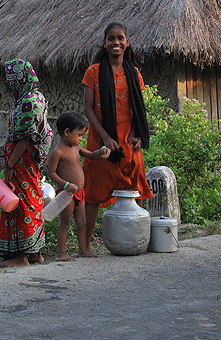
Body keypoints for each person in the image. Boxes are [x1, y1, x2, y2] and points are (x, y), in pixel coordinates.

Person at [82, 22, 153, 254]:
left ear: (127, 42)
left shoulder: (133, 73)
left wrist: (135, 134)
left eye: (120, 38)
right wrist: (105, 138)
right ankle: (86, 246)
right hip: (101, 143)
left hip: (128, 141)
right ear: (105, 43)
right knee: (92, 192)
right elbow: (89, 109)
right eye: (111, 38)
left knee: (137, 186)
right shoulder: (93, 72)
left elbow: (138, 109)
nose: (116, 42)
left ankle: (138, 238)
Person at [0, 59, 54, 267]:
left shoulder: (29, 101)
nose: (8, 83)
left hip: (23, 162)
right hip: (26, 162)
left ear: (20, 78)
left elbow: (25, 138)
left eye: (11, 79)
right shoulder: (32, 98)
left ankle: (21, 257)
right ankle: (35, 253)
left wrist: (10, 164)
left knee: (20, 203)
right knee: (32, 201)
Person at [46, 111, 110, 261]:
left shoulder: (76, 148)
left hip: (80, 192)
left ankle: (83, 250)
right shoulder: (58, 152)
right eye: (79, 135)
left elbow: (91, 155)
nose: (81, 139)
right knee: (65, 223)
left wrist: (101, 151)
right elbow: (51, 173)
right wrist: (66, 184)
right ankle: (61, 253)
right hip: (67, 194)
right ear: (67, 132)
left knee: (82, 222)